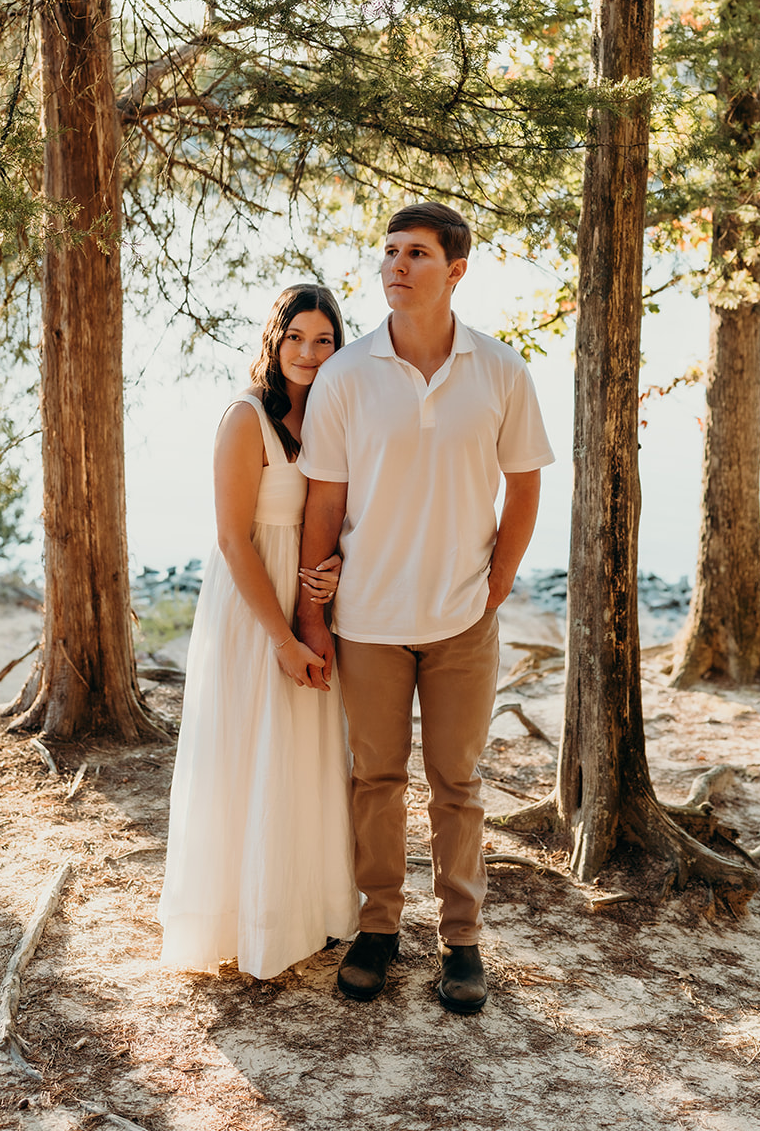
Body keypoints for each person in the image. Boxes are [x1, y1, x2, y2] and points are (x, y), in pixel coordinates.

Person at [297, 203, 553, 1013]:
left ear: (456, 271)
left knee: (458, 782)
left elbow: (525, 481)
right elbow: (322, 503)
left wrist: (500, 580)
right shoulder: (345, 374)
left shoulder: (502, 371)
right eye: (388, 252)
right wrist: (311, 616)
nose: (395, 266)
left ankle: (462, 941)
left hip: (460, 622)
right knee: (374, 778)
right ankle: (378, 929)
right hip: (367, 619)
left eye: (415, 254)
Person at [159, 284, 359, 979]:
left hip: (312, 602)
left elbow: (344, 513)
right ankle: (242, 918)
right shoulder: (244, 418)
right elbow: (230, 538)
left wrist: (335, 570)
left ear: (339, 345)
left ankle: (309, 909)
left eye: (323, 339)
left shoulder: (334, 416)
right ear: (274, 341)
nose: (307, 352)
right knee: (250, 746)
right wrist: (280, 636)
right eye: (295, 337)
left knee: (304, 750)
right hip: (252, 609)